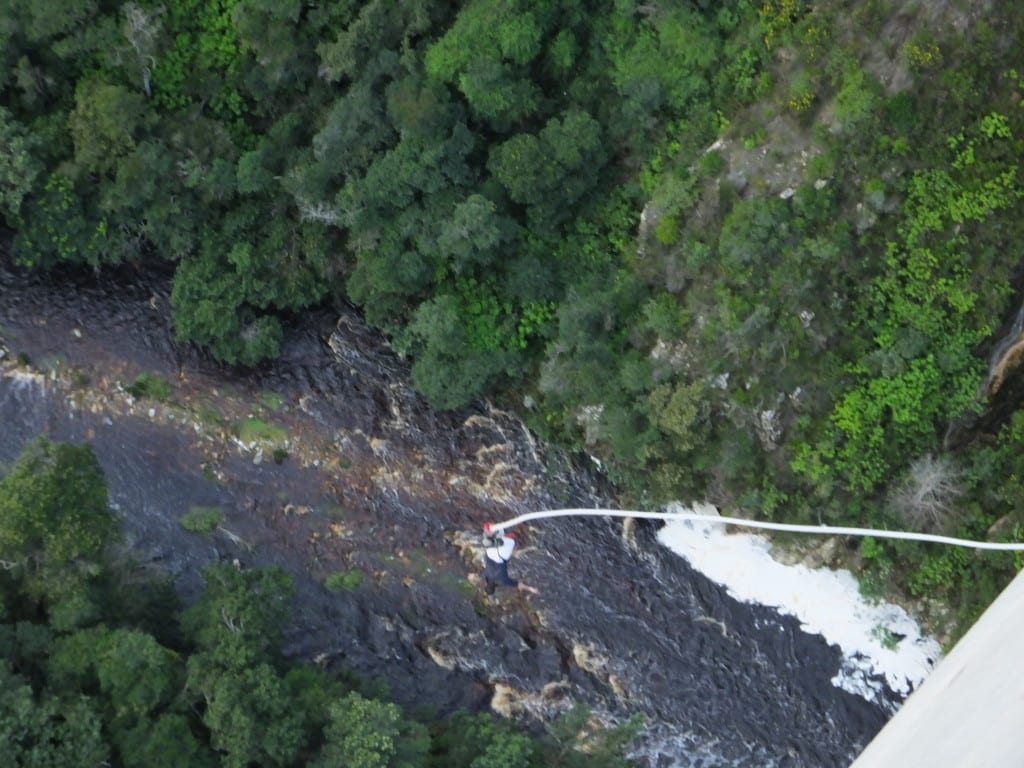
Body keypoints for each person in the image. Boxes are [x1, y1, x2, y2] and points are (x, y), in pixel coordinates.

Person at [472, 525, 538, 595]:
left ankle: (521, 530)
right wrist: (473, 579)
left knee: (514, 541)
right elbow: (474, 576)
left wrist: (531, 589)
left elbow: (519, 585)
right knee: (497, 537)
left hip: (502, 554)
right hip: (490, 551)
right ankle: (495, 533)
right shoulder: (485, 575)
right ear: (486, 584)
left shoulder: (503, 581)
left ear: (495, 588)